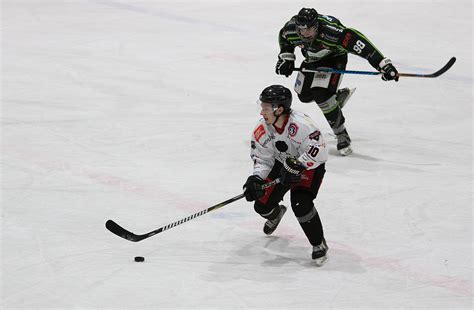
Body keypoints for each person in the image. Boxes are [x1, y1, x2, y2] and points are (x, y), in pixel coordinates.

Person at [275, 8, 399, 156]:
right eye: (301, 29)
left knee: (322, 95)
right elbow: (284, 37)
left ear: (317, 26)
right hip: (312, 59)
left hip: (334, 60)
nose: (305, 33)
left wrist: (383, 64)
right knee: (304, 96)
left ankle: (341, 133)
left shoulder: (333, 33)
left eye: (309, 29)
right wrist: (287, 57)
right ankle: (336, 100)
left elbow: (360, 43)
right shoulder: (291, 29)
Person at [243, 84, 329, 266]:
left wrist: (299, 165)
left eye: (265, 108)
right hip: (281, 163)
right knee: (261, 206)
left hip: (309, 166)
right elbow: (263, 159)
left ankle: (318, 242)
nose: (261, 112)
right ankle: (274, 214)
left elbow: (320, 151)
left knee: (301, 204)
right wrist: (256, 178)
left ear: (279, 109)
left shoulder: (302, 125)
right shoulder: (262, 129)